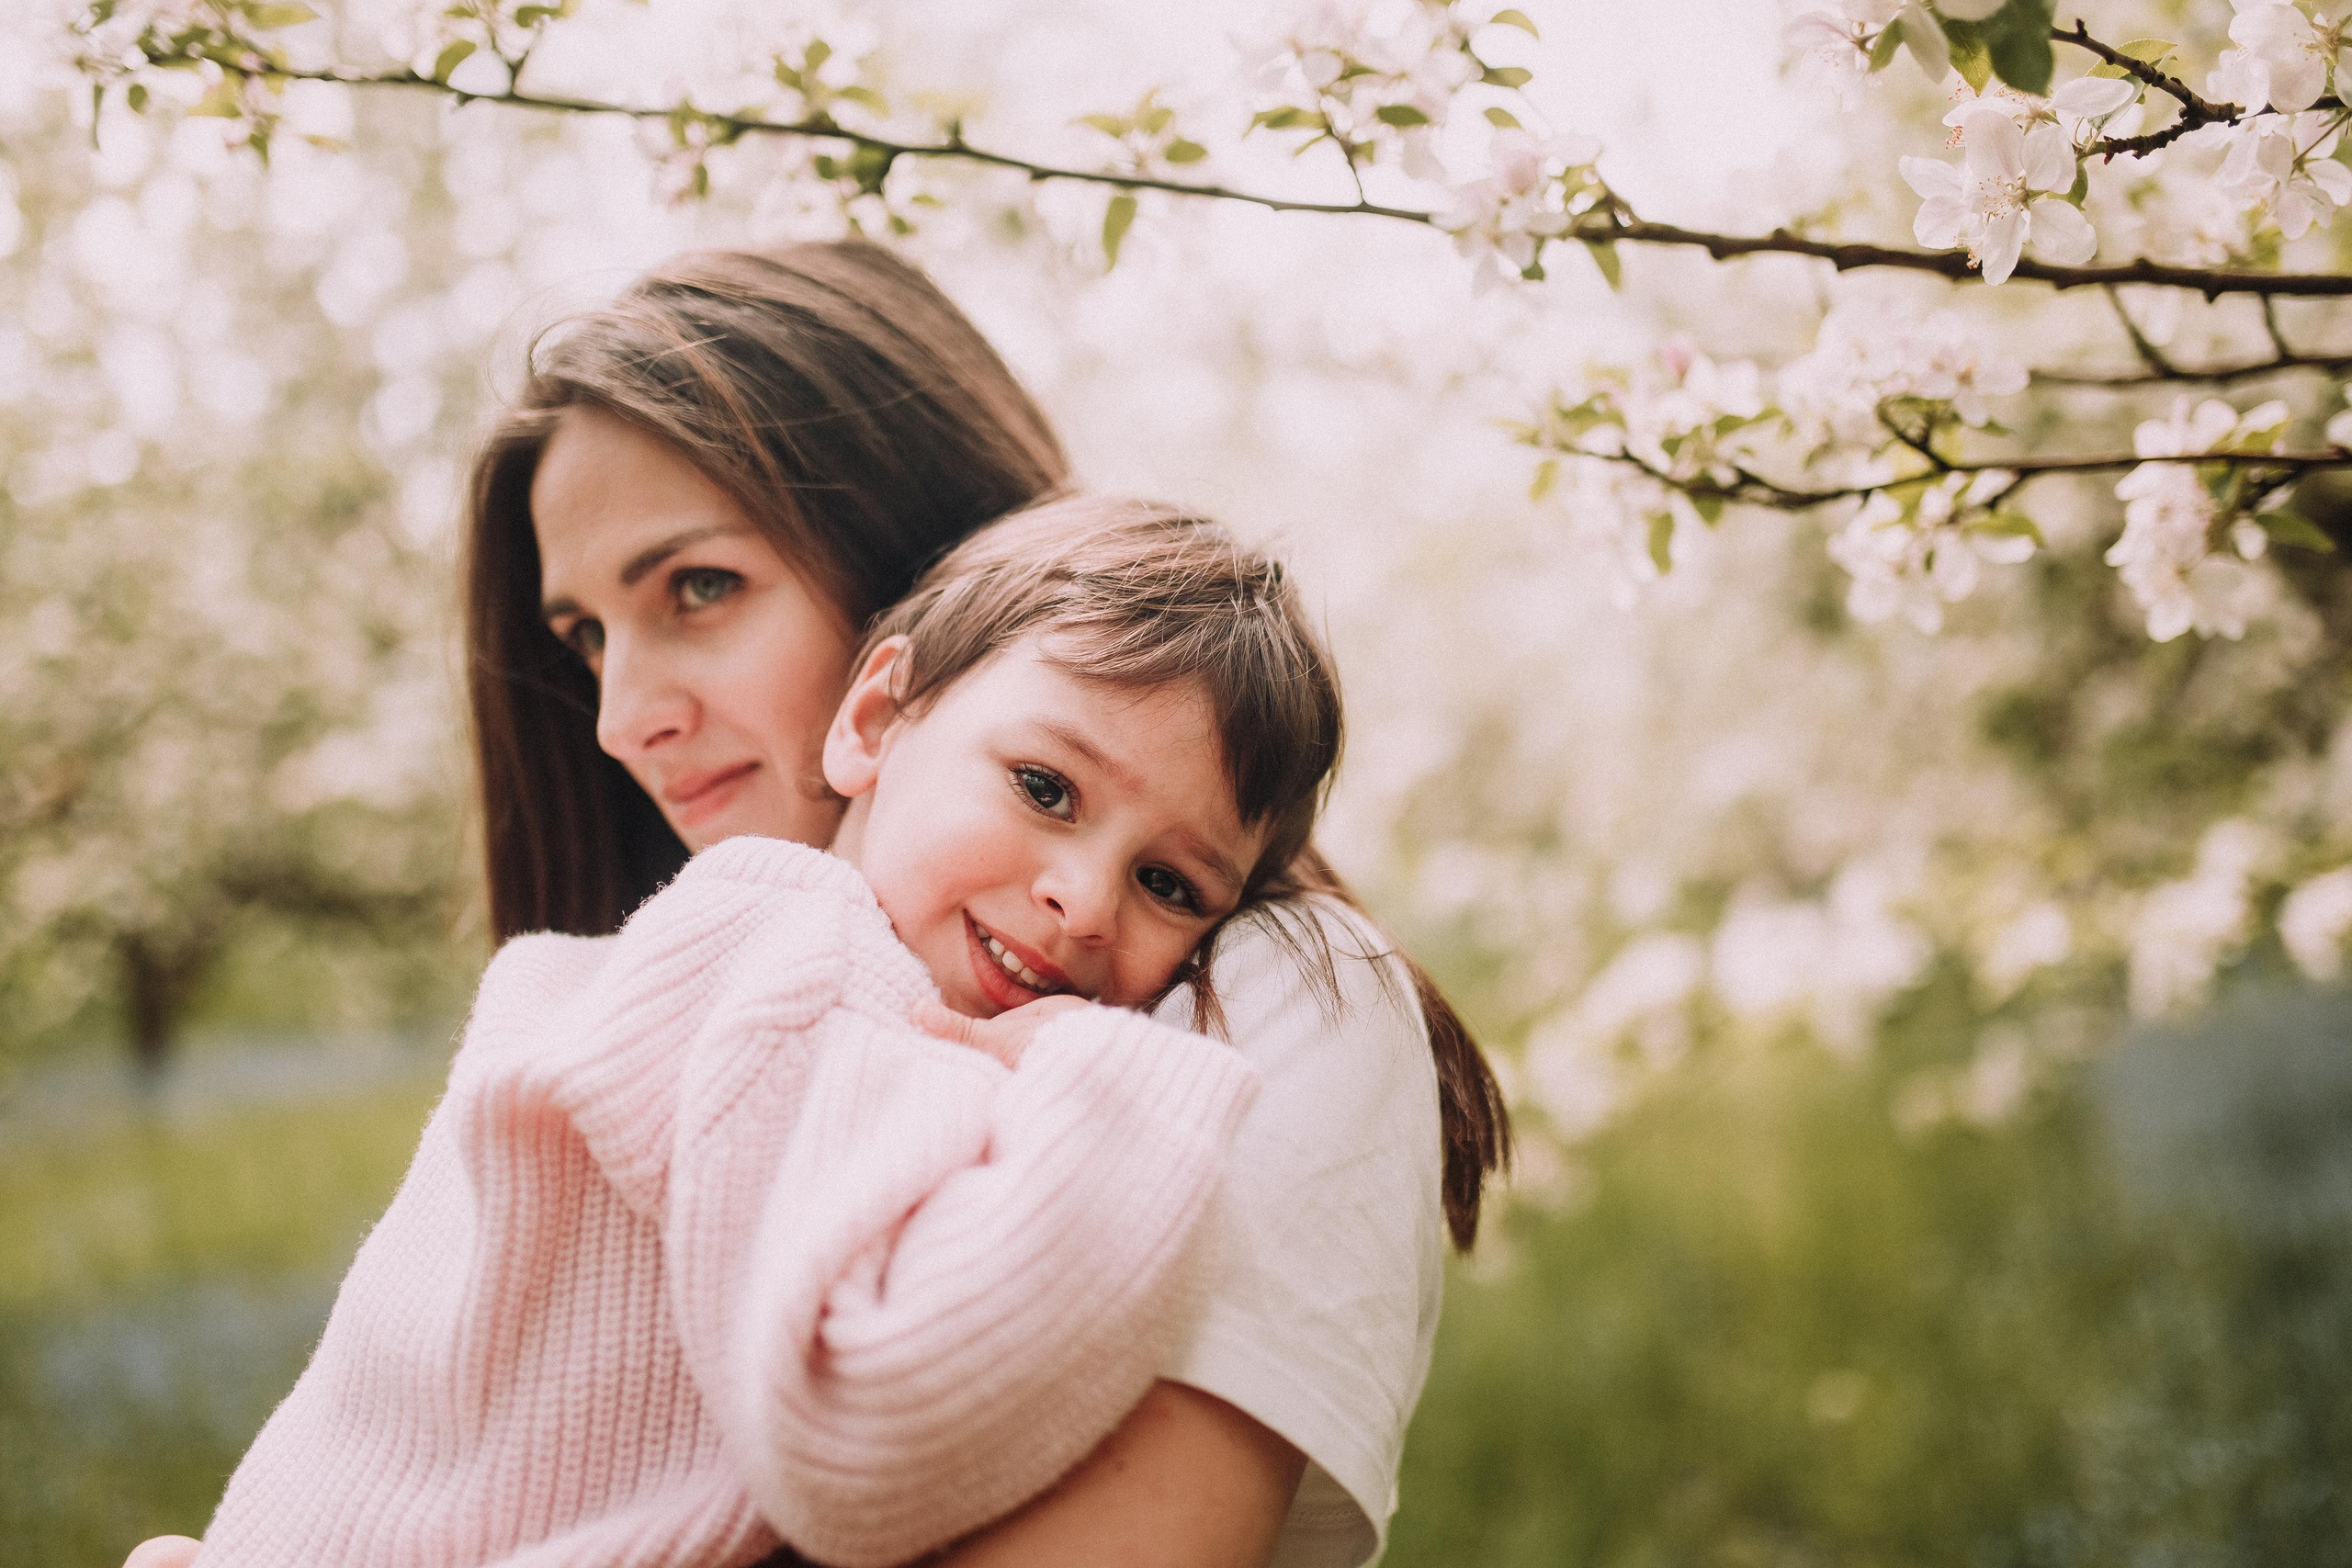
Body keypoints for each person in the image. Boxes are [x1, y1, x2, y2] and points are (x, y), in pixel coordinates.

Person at [128, 240, 1508, 1568]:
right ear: (876, 711)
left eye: (702, 587)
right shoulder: (735, 976)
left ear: (906, 585)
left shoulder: (1278, 990)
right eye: (588, 635)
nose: (617, 718)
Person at [181, 500, 1351, 1568]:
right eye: (1045, 789)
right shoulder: (798, 973)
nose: (1087, 904)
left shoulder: (826, 995)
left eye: (1170, 885)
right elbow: (867, 1433)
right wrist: (1123, 1091)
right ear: (876, 719)